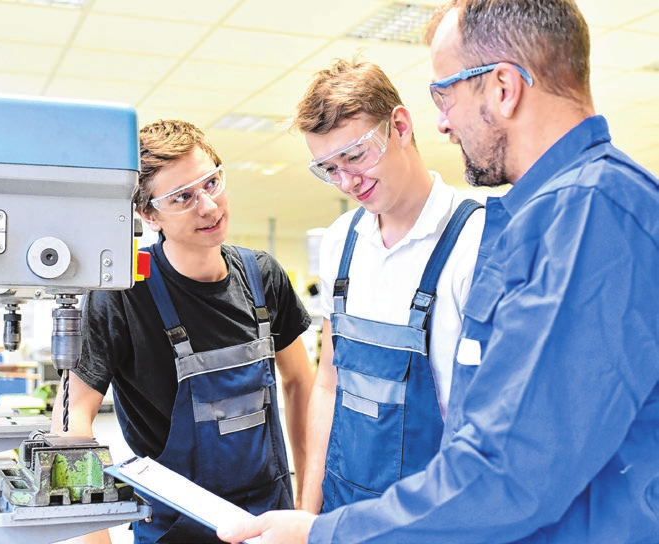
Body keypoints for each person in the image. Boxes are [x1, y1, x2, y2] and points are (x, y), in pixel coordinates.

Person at [217, 0, 659, 543]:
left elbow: (509, 470)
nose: (443, 123)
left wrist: (323, 535)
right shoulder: (549, 213)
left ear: (502, 87)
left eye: (444, 94)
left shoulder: (591, 214)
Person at [52, 119, 314, 544]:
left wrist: (308, 500)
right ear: (147, 213)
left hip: (270, 522)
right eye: (183, 198)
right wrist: (93, 536)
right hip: (175, 530)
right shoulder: (123, 295)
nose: (208, 207)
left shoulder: (263, 275)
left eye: (211, 183)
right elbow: (70, 422)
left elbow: (302, 381)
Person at [292, 58, 484, 515]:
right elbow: (328, 382)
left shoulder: (476, 240)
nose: (347, 181)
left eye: (355, 155)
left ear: (399, 125)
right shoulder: (342, 240)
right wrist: (307, 512)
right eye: (328, 168)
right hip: (345, 509)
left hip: (435, 516)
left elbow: (485, 418)